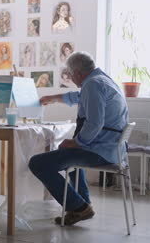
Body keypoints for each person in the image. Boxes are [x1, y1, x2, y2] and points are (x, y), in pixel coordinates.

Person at [28, 52, 128, 226]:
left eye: (70, 74)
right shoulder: (102, 80)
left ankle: (78, 207)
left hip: (101, 151)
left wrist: (76, 142)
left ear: (77, 73)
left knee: (37, 163)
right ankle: (83, 203)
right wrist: (54, 98)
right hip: (112, 149)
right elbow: (79, 97)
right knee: (69, 151)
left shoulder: (93, 84)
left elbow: (95, 123)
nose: (71, 78)